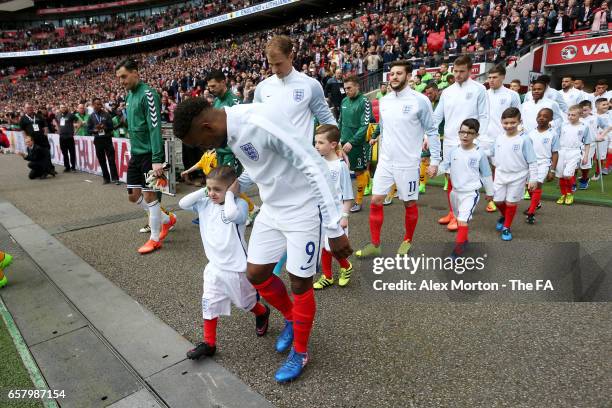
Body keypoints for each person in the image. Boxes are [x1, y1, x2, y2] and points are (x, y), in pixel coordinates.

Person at [172, 97, 351, 383]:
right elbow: (259, 164)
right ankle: (292, 318)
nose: (206, 148)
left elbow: (312, 165)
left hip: (305, 209)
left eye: (202, 142)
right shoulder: (230, 133)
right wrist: (238, 184)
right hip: (273, 208)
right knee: (256, 273)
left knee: (300, 281)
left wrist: (334, 228)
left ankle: (301, 352)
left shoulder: (259, 122)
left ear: (207, 126)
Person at [179, 166, 271, 360]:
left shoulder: (240, 205)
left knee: (245, 303)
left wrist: (230, 195)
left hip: (237, 268)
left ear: (231, 188)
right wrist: (205, 190)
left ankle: (262, 312)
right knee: (209, 303)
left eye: (217, 190)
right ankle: (209, 343)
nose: (212, 194)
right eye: (209, 189)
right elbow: (182, 202)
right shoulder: (204, 203)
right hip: (214, 267)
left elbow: (231, 215)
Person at [356, 60, 440, 258]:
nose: (394, 77)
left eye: (398, 73)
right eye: (391, 74)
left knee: (408, 204)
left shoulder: (420, 100)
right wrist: (376, 135)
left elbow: (432, 131)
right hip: (386, 161)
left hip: (408, 163)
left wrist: (435, 161)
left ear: (409, 76)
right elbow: (384, 126)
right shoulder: (384, 100)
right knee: (376, 200)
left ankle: (407, 240)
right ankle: (375, 244)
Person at [116, 58, 176, 254]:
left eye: (124, 76)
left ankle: (155, 238)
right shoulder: (128, 96)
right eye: (119, 78)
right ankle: (166, 219)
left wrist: (157, 158)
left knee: (150, 196)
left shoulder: (148, 94)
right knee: (133, 196)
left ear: (135, 72)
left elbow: (154, 127)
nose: (122, 81)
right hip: (136, 154)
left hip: (150, 154)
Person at [432, 55, 489, 232]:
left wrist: (478, 139)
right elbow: (437, 116)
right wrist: (429, 136)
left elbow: (484, 116)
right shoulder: (447, 91)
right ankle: (452, 212)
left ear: (470, 70)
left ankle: (460, 215)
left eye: (461, 71)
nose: (458, 74)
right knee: (450, 178)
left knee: (464, 179)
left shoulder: (479, 89)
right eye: (455, 71)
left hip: (469, 142)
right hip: (449, 140)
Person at [207, 70, 259, 225]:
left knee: (229, 185)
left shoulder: (234, 101)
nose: (211, 89)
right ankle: (251, 209)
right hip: (220, 152)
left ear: (223, 82)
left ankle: (243, 213)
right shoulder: (216, 102)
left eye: (214, 85)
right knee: (223, 184)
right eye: (209, 86)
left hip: (232, 152)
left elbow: (244, 126)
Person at [437, 119, 493, 257]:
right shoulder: (454, 150)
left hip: (470, 193)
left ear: (476, 135)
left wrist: (490, 192)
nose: (465, 136)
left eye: (470, 133)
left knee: (462, 220)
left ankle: (457, 252)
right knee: (459, 218)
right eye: (462, 132)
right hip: (455, 193)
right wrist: (434, 171)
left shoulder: (479, 153)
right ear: (459, 133)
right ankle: (464, 241)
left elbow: (486, 174)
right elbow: (445, 165)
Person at [313, 125, 354, 289]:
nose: (316, 146)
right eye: (315, 142)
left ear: (333, 144)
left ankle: (346, 266)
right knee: (323, 245)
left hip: (337, 215)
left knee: (334, 247)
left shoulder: (340, 166)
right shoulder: (317, 164)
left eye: (321, 142)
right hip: (320, 214)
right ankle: (327, 276)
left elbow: (348, 196)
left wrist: (344, 217)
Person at [491, 107, 538, 241]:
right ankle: (505, 216)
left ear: (519, 122)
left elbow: (532, 161)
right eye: (506, 123)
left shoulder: (524, 139)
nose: (509, 126)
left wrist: (533, 179)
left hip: (518, 176)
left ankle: (506, 227)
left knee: (511, 202)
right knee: (498, 200)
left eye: (513, 122)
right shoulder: (499, 137)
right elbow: (491, 153)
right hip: (500, 174)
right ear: (501, 122)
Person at [483, 65, 522, 213]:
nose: (491, 81)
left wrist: (516, 136)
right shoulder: (483, 93)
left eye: (494, 77)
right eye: (489, 78)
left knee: (497, 169)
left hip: (501, 138)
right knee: (482, 169)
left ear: (503, 77)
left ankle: (494, 199)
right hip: (483, 138)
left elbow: (519, 116)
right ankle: (487, 194)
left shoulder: (512, 95)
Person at [338, 76, 372, 213]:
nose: (346, 91)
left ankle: (358, 201)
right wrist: (338, 139)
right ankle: (342, 198)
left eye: (349, 88)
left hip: (357, 144)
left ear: (357, 87)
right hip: (343, 142)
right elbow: (340, 122)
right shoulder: (344, 101)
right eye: (345, 88)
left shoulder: (365, 102)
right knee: (341, 170)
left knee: (359, 171)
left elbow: (365, 126)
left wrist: (352, 142)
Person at [524, 108, 559, 224]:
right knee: (529, 186)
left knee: (537, 185)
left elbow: (555, 153)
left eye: (545, 116)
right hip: (530, 163)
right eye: (539, 115)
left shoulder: (553, 134)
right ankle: (537, 203)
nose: (541, 118)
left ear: (550, 119)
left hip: (544, 163)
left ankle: (531, 212)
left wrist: (552, 170)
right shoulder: (530, 133)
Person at [556, 105, 594, 205]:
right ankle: (563, 194)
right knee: (561, 175)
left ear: (580, 115)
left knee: (568, 174)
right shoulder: (563, 125)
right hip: (562, 151)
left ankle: (570, 194)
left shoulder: (584, 126)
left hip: (575, 152)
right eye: (569, 115)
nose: (570, 117)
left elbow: (587, 142)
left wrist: (585, 156)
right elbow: (556, 139)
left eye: (573, 115)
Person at [87, 98, 120, 185]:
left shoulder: (106, 115)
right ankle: (106, 178)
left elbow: (111, 127)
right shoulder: (91, 116)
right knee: (102, 160)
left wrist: (105, 128)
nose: (98, 106)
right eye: (96, 104)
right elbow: (88, 129)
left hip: (107, 139)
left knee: (111, 159)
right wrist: (95, 130)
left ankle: (115, 178)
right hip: (98, 140)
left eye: (100, 104)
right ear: (93, 105)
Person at [19, 103, 55, 175]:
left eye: (31, 107)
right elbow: (22, 130)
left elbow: (45, 126)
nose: (29, 109)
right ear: (25, 109)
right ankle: (40, 170)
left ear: (33, 108)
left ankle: (50, 169)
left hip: (42, 139)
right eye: (28, 108)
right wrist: (26, 139)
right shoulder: (23, 118)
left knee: (46, 154)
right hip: (32, 141)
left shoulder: (39, 116)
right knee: (34, 156)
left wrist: (45, 134)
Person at [591, 98, 612, 180]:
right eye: (603, 104)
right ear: (596, 106)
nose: (606, 106)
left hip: (603, 138)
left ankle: (598, 173)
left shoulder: (609, 115)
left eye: (607, 104)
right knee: (589, 156)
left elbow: (610, 128)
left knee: (600, 157)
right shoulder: (592, 114)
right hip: (592, 138)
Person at [57, 104, 78, 172]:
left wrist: (75, 131)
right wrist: (58, 130)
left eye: (64, 107)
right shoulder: (58, 115)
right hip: (62, 137)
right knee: (64, 153)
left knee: (72, 152)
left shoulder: (70, 115)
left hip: (69, 137)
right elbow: (57, 123)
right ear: (60, 108)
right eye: (62, 107)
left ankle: (73, 167)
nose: (63, 108)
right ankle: (67, 167)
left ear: (66, 108)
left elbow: (79, 121)